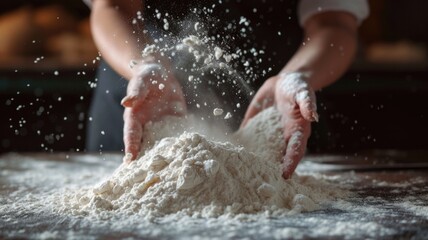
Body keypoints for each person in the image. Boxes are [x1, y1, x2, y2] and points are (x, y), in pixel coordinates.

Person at [84, 0, 369, 178]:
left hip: (279, 102)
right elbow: (112, 6)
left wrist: (297, 76)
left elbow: (333, 22)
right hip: (147, 89)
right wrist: (144, 66)